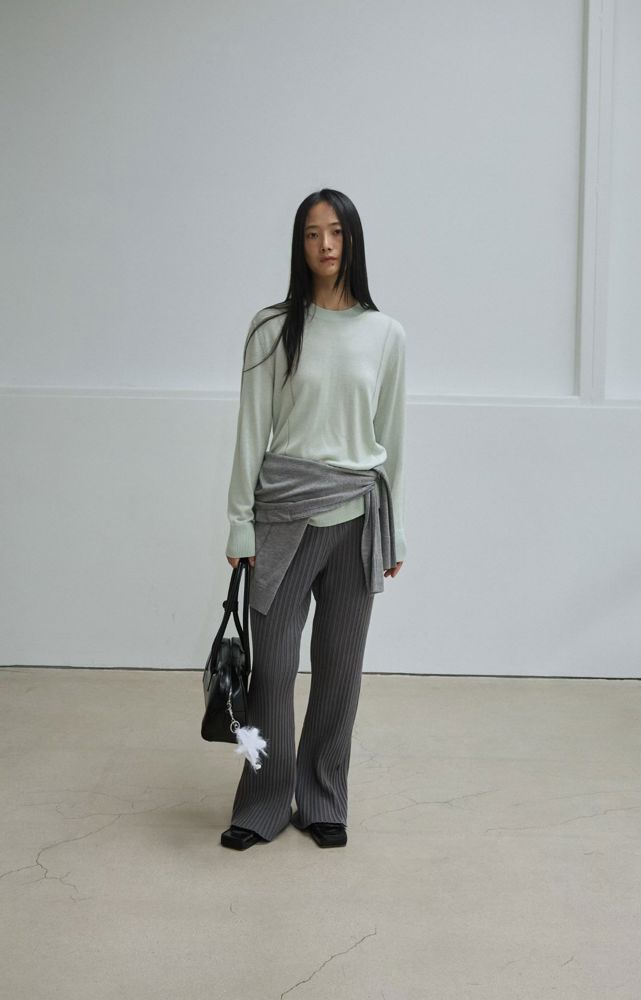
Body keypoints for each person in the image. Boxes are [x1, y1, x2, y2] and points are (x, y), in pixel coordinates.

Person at [220, 188, 407, 850]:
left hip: (357, 521)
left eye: (336, 232)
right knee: (271, 670)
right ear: (298, 245)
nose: (325, 245)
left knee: (339, 670)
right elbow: (251, 431)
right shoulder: (272, 327)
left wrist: (395, 530)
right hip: (282, 519)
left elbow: (391, 441)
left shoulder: (385, 335)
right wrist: (239, 521)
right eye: (310, 234)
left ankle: (324, 798)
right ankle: (263, 803)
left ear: (352, 240)